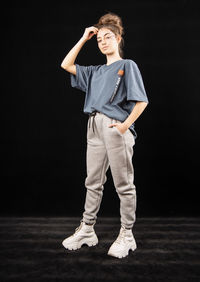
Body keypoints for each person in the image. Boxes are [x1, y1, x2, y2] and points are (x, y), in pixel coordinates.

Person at [60, 12, 149, 259]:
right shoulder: (94, 71)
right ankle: (87, 229)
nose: (103, 42)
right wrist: (84, 38)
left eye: (108, 37)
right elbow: (66, 65)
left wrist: (123, 126)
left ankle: (127, 234)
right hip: (94, 126)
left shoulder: (127, 65)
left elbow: (141, 102)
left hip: (115, 127)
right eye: (99, 39)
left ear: (119, 38)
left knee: (123, 184)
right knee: (93, 182)